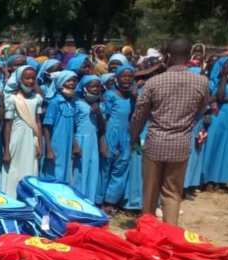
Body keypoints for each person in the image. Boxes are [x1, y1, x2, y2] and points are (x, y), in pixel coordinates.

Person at [129, 38, 210, 226]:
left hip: (155, 142)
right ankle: (170, 235)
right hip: (181, 143)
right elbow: (201, 109)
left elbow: (139, 114)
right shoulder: (201, 82)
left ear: (167, 56)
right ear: (189, 56)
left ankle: (148, 232)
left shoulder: (154, 82)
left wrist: (133, 136)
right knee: (173, 192)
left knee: (150, 192)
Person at [1, 65, 43, 197]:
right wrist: (7, 150)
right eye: (27, 79)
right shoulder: (12, 100)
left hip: (31, 139)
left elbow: (37, 122)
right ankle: (11, 198)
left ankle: (27, 198)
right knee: (14, 170)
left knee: (29, 168)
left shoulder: (37, 99)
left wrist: (40, 144)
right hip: (16, 139)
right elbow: (8, 125)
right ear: (19, 80)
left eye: (33, 79)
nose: (30, 81)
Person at [99, 65, 136, 213]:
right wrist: (102, 141)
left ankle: (111, 201)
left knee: (121, 168)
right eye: (123, 76)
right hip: (110, 134)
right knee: (105, 168)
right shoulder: (110, 95)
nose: (127, 79)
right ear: (117, 78)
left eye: (130, 76)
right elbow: (104, 119)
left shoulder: (131, 98)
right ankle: (99, 199)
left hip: (125, 136)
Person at [41, 71, 78, 184]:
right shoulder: (55, 102)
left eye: (74, 81)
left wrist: (75, 145)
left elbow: (71, 127)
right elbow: (47, 128)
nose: (72, 83)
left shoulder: (71, 102)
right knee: (54, 173)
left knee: (65, 173)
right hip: (55, 144)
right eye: (68, 81)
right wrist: (49, 150)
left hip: (66, 144)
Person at [72, 75, 104, 203]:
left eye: (97, 87)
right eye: (92, 86)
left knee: (92, 169)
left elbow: (101, 127)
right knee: (81, 171)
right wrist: (75, 145)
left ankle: (90, 200)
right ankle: (78, 199)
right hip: (81, 139)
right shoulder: (78, 104)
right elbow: (72, 127)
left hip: (93, 140)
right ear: (84, 88)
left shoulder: (99, 106)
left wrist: (98, 113)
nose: (95, 89)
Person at [203, 55, 228, 191]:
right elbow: (218, 96)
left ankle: (221, 179)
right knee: (215, 146)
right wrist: (224, 78)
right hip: (219, 116)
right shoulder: (214, 81)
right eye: (227, 65)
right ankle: (208, 179)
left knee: (226, 149)